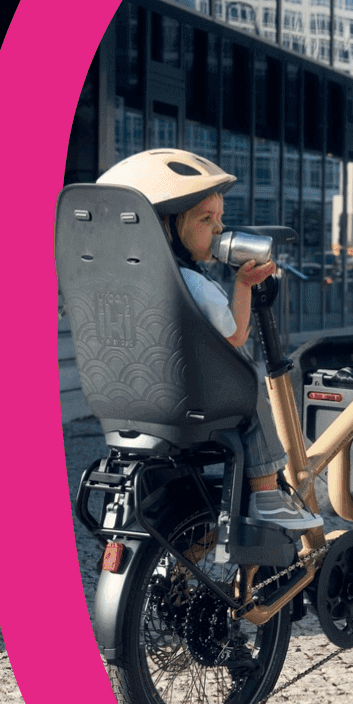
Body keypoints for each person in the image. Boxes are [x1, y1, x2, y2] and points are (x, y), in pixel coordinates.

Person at [96, 148, 323, 535]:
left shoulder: (114, 282)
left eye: (220, 218)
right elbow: (235, 332)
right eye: (206, 219)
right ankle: (268, 495)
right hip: (191, 399)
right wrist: (245, 284)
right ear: (165, 226)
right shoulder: (195, 284)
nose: (218, 229)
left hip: (126, 396)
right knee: (253, 394)